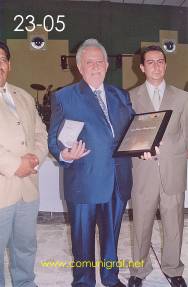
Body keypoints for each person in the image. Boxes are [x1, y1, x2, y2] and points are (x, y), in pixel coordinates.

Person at [48, 38, 134, 287]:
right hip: (84, 181)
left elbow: (131, 133)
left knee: (111, 236)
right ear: (80, 67)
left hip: (118, 180)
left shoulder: (120, 95)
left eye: (100, 62)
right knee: (82, 239)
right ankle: (84, 282)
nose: (96, 67)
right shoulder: (65, 97)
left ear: (107, 65)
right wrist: (65, 154)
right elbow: (54, 140)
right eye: (90, 62)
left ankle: (110, 277)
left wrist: (146, 147)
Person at [128, 45, 188, 287]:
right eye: (150, 62)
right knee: (141, 223)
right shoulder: (130, 97)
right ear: (142, 67)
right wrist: (138, 148)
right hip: (143, 170)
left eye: (160, 61)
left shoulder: (183, 98)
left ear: (165, 64)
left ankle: (173, 269)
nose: (156, 65)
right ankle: (139, 270)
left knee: (174, 223)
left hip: (172, 170)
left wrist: (170, 146)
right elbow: (127, 134)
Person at [0, 41, 48, 287]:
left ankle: (25, 283)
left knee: (26, 247)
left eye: (2, 59)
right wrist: (13, 164)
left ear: (9, 64)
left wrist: (37, 157)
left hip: (28, 190)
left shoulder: (25, 97)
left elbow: (41, 134)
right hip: (1, 190)